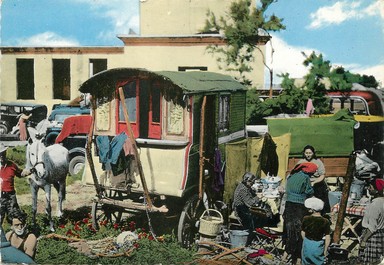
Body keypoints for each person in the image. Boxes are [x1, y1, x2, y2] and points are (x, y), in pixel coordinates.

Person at [282, 162, 316, 265]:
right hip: (299, 206)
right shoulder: (306, 178)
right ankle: (298, 257)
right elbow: (308, 191)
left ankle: (285, 254)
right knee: (299, 230)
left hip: (288, 205)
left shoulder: (291, 176)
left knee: (289, 229)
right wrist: (312, 189)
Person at [296, 145, 330, 215]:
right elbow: (296, 174)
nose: (308, 155)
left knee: (320, 198)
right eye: (306, 153)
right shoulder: (301, 162)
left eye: (310, 153)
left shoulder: (318, 162)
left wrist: (314, 182)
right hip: (305, 183)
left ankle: (321, 214)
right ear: (304, 153)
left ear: (313, 153)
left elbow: (322, 175)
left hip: (317, 182)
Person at [0, 143, 27, 225]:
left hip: (11, 196)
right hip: (0, 196)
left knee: (15, 217)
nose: (1, 156)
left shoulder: (11, 165)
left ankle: (14, 235)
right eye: (0, 154)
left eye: (3, 153)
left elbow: (21, 173)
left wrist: (31, 170)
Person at [359, 178, 384, 264]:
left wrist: (364, 240)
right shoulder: (382, 202)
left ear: (377, 191)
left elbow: (372, 227)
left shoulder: (375, 205)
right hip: (381, 234)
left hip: (372, 236)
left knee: (370, 262)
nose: (368, 189)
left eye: (371, 187)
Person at [301, 197, 331, 265]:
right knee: (318, 262)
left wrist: (305, 240)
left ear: (312, 210)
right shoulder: (325, 221)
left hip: (307, 243)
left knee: (306, 261)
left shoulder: (305, 218)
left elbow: (303, 232)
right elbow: (327, 237)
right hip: (318, 245)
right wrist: (325, 250)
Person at [233, 172, 261, 244]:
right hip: (240, 211)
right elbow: (250, 203)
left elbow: (252, 195)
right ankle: (250, 238)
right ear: (247, 181)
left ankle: (255, 235)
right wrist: (258, 197)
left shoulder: (246, 187)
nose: (253, 183)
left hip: (244, 209)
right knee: (260, 216)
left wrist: (256, 194)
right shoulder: (243, 189)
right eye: (252, 182)